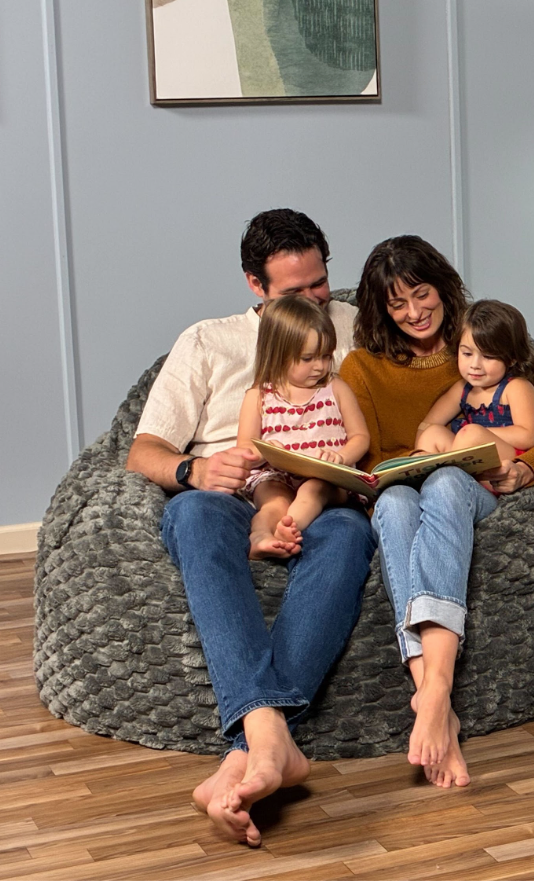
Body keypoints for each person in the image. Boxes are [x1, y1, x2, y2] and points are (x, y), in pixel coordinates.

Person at [125, 209, 376, 847]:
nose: (319, 300)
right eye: (297, 293)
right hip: (239, 488)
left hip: (323, 490)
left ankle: (251, 750)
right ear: (254, 287)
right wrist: (196, 466)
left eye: (321, 282)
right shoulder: (207, 341)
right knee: (191, 512)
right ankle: (271, 739)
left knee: (348, 536)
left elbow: (478, 349)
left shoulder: (350, 323)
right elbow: (143, 451)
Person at [338, 235, 534, 789]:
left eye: (421, 295)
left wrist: (523, 468)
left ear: (442, 289)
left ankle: (434, 688)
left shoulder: (480, 343)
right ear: (380, 311)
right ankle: (436, 705)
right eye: (397, 305)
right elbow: (369, 452)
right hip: (401, 484)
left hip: (468, 484)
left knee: (447, 481)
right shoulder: (361, 366)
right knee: (396, 502)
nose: (414, 313)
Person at [237, 295, 371, 559]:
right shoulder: (259, 396)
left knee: (313, 489)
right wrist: (264, 451)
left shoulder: (336, 388)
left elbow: (361, 436)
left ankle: (288, 530)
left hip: (328, 478)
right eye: (307, 358)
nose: (319, 366)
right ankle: (261, 538)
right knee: (272, 501)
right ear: (277, 355)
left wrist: (341, 457)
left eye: (325, 356)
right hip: (278, 474)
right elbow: (244, 447)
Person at [415, 299, 534, 467]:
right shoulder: (463, 389)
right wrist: (419, 453)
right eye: (467, 354)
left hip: (508, 460)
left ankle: (451, 477)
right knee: (432, 433)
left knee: (471, 434)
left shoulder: (515, 387)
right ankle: (426, 478)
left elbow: (527, 437)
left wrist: (477, 433)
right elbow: (429, 423)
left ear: (512, 358)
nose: (475, 365)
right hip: (470, 459)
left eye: (488, 356)